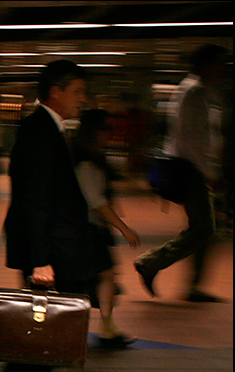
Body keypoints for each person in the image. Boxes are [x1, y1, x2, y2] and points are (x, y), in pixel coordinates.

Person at [1, 59, 91, 372]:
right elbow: (34, 198)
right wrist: (40, 259)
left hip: (51, 245)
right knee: (43, 323)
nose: (82, 100)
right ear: (56, 91)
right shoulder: (40, 131)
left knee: (44, 322)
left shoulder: (47, 128)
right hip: (47, 248)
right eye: (78, 92)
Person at [134, 44, 229, 302]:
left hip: (192, 168)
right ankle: (151, 262)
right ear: (204, 65)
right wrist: (208, 172)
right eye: (218, 63)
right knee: (205, 228)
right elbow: (194, 139)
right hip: (192, 170)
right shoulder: (196, 92)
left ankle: (193, 285)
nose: (222, 69)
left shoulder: (195, 89)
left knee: (205, 227)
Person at [73, 109, 141, 348]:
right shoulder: (85, 161)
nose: (110, 134)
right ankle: (106, 329)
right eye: (106, 129)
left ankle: (106, 328)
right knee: (104, 276)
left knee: (104, 276)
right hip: (87, 229)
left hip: (90, 229)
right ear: (93, 131)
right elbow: (96, 200)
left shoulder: (93, 157)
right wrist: (123, 228)